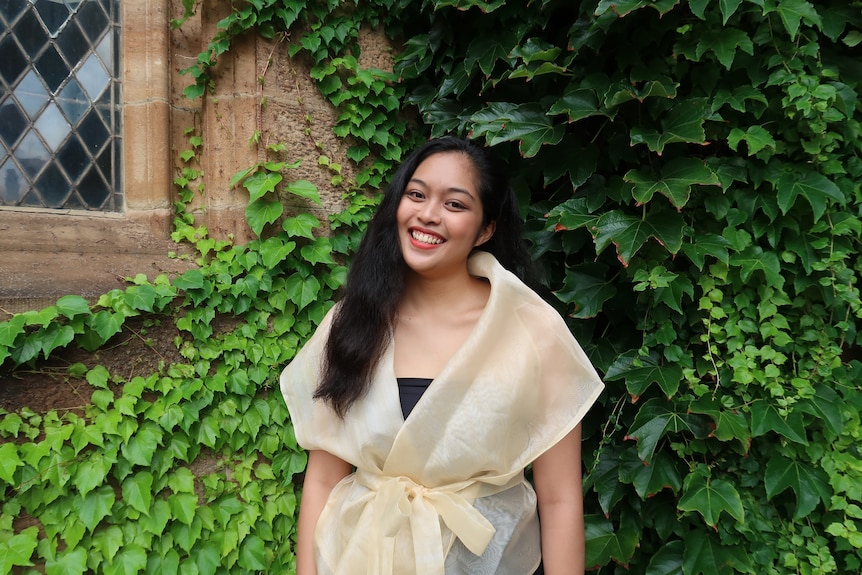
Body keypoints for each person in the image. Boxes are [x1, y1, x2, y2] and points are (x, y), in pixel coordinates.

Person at [280, 136, 604, 575]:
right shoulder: (354, 321)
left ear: (486, 229)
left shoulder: (531, 330)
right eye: (416, 194)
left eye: (455, 204)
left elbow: (560, 497)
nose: (428, 214)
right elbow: (323, 477)